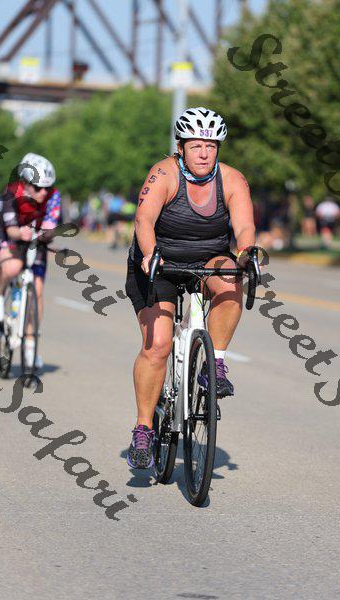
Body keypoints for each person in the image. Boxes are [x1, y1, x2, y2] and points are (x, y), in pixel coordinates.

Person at [125, 107, 256, 469]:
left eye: (211, 146)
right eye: (196, 145)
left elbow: (244, 227)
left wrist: (247, 252)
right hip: (159, 263)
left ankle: (215, 365)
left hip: (207, 259)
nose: (203, 153)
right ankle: (143, 428)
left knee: (231, 275)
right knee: (158, 346)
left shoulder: (232, 179)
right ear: (180, 147)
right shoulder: (164, 174)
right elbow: (144, 220)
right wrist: (149, 254)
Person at [0, 152, 61, 368]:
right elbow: (11, 229)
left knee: (38, 290)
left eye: (47, 187)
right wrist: (20, 233)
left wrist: (46, 235)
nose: (44, 192)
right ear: (25, 183)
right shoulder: (12, 193)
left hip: (35, 237)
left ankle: (30, 347)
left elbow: (51, 225)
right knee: (12, 267)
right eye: (38, 187)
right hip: (8, 232)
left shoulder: (52, 195)